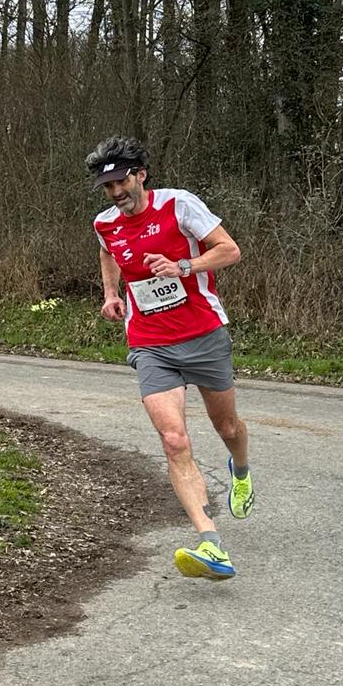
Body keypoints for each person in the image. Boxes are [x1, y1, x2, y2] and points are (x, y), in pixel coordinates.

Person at [87, 135, 254, 579]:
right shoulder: (105, 223)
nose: (116, 192)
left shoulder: (179, 205)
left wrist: (183, 267)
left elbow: (230, 250)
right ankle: (211, 543)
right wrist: (110, 293)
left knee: (227, 427)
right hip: (149, 342)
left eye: (122, 182)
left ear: (140, 175)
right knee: (174, 440)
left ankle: (240, 469)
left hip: (203, 334)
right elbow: (107, 252)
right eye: (108, 187)